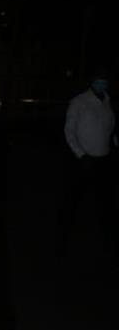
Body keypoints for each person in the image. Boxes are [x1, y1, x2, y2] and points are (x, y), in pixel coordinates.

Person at [59, 66, 117, 258]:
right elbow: (69, 131)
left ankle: (107, 243)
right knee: (72, 202)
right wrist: (81, 154)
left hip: (103, 161)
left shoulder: (107, 101)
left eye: (105, 79)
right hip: (84, 161)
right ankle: (62, 242)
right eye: (100, 79)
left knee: (105, 204)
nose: (103, 82)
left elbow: (110, 129)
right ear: (93, 80)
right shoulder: (79, 102)